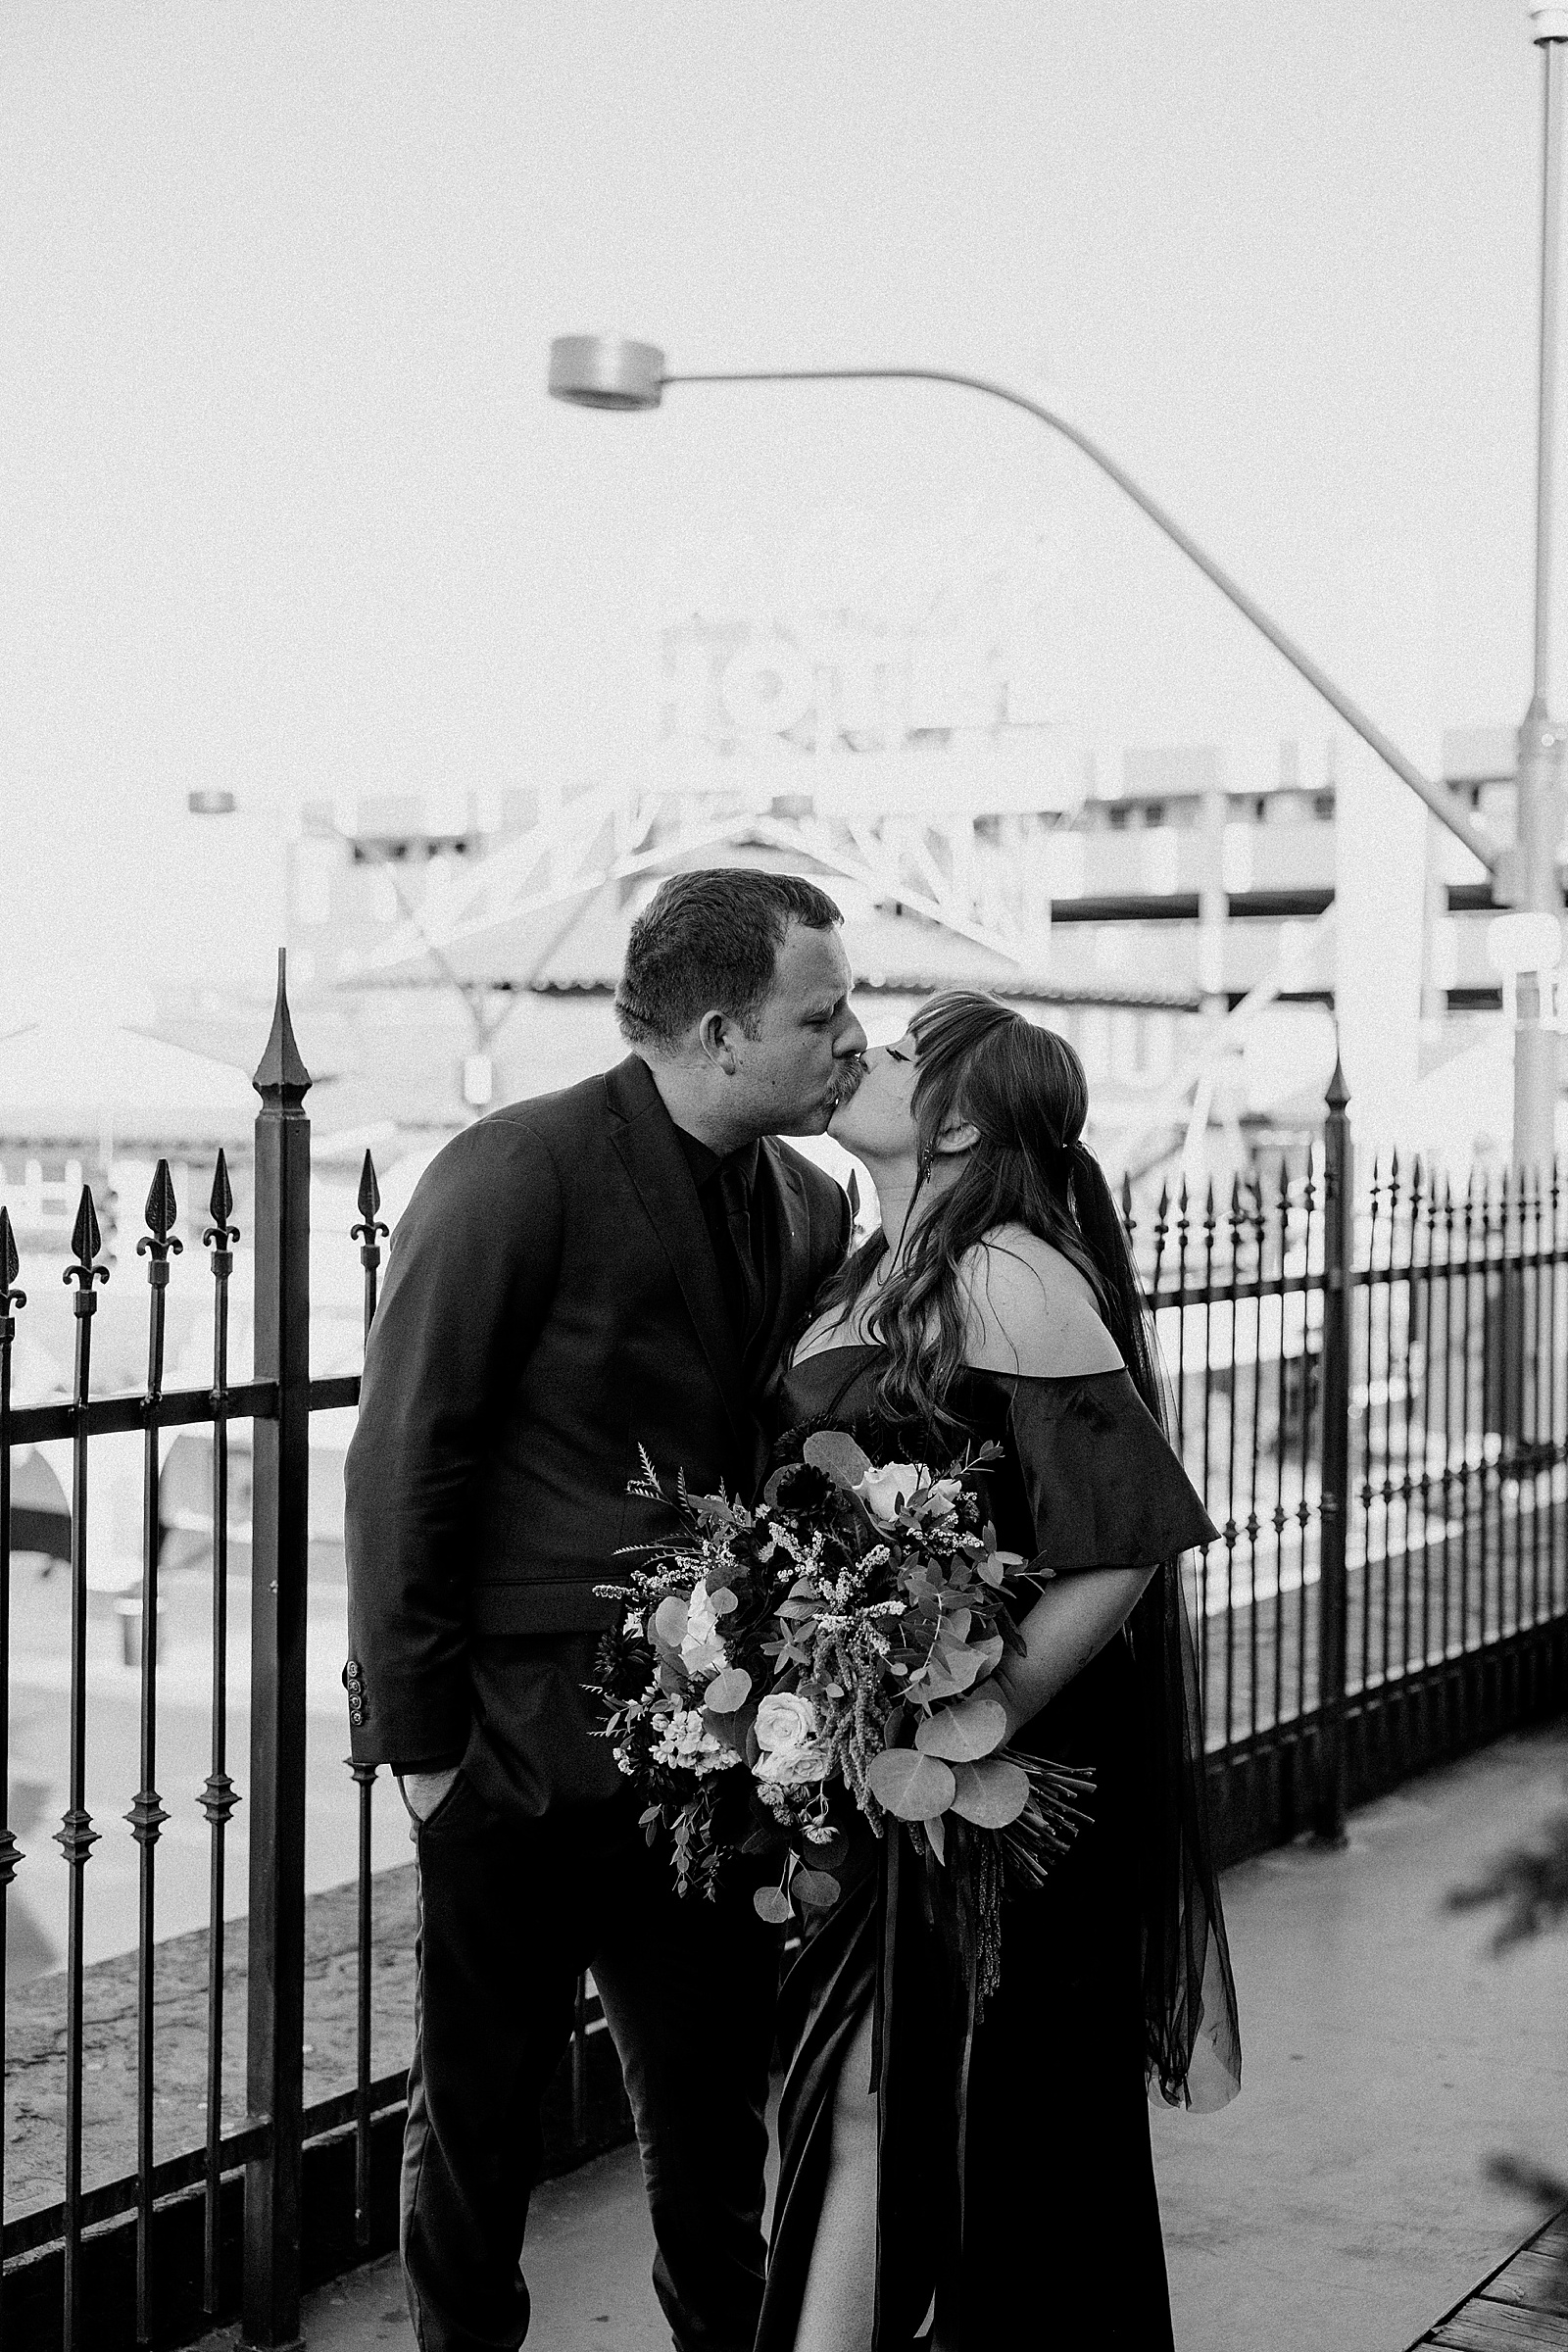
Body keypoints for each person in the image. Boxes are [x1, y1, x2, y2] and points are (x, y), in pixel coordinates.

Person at [342, 868, 867, 2352]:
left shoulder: (814, 1201)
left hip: (712, 1766)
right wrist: (430, 1751)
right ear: (718, 1032)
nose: (852, 1038)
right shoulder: (515, 1168)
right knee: (481, 2125)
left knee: (716, 2124)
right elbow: (404, 1457)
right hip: (507, 1752)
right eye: (821, 1013)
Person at [757, 990, 1242, 2352]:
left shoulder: (1017, 1272)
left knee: (994, 2117)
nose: (864, 1050)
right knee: (861, 2098)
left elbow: (1130, 1534)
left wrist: (984, 1708)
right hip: (862, 1767)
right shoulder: (864, 1265)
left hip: (988, 1795)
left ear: (960, 1117)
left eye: (901, 1050)